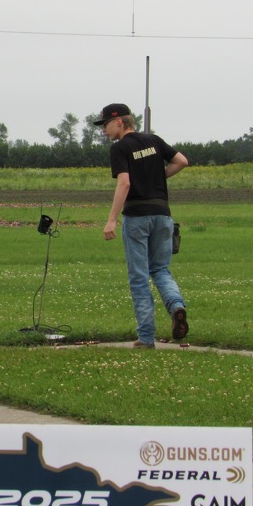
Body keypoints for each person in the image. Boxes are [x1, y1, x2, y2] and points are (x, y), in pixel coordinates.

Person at [95, 103, 189, 349]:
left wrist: (112, 219)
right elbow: (182, 161)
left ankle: (146, 338)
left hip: (137, 217)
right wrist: (158, 177)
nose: (104, 130)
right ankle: (177, 306)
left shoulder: (120, 148)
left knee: (139, 278)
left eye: (105, 125)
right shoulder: (154, 140)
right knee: (160, 270)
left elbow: (124, 184)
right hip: (163, 215)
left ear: (119, 122)